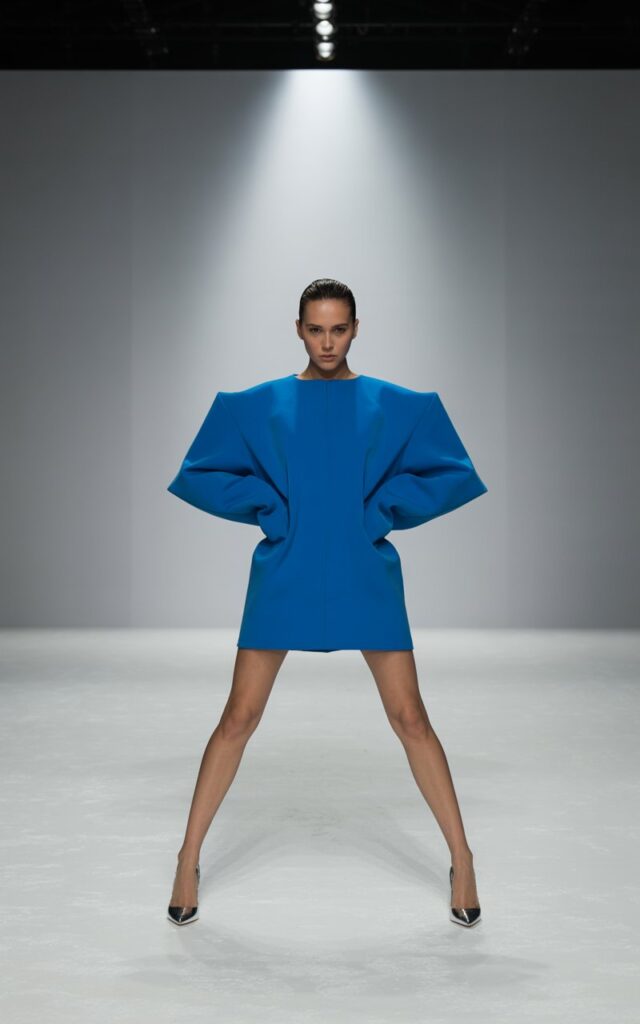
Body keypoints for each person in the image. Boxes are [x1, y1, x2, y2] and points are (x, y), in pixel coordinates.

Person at [166, 278, 488, 927]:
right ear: (298, 329)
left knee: (410, 717)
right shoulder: (258, 405)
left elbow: (453, 471)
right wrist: (267, 506)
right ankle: (186, 857)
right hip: (286, 570)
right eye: (316, 329)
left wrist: (384, 509)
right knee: (238, 717)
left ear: (356, 328)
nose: (327, 342)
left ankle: (464, 858)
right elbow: (199, 471)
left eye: (339, 329)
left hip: (364, 571)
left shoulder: (396, 405)